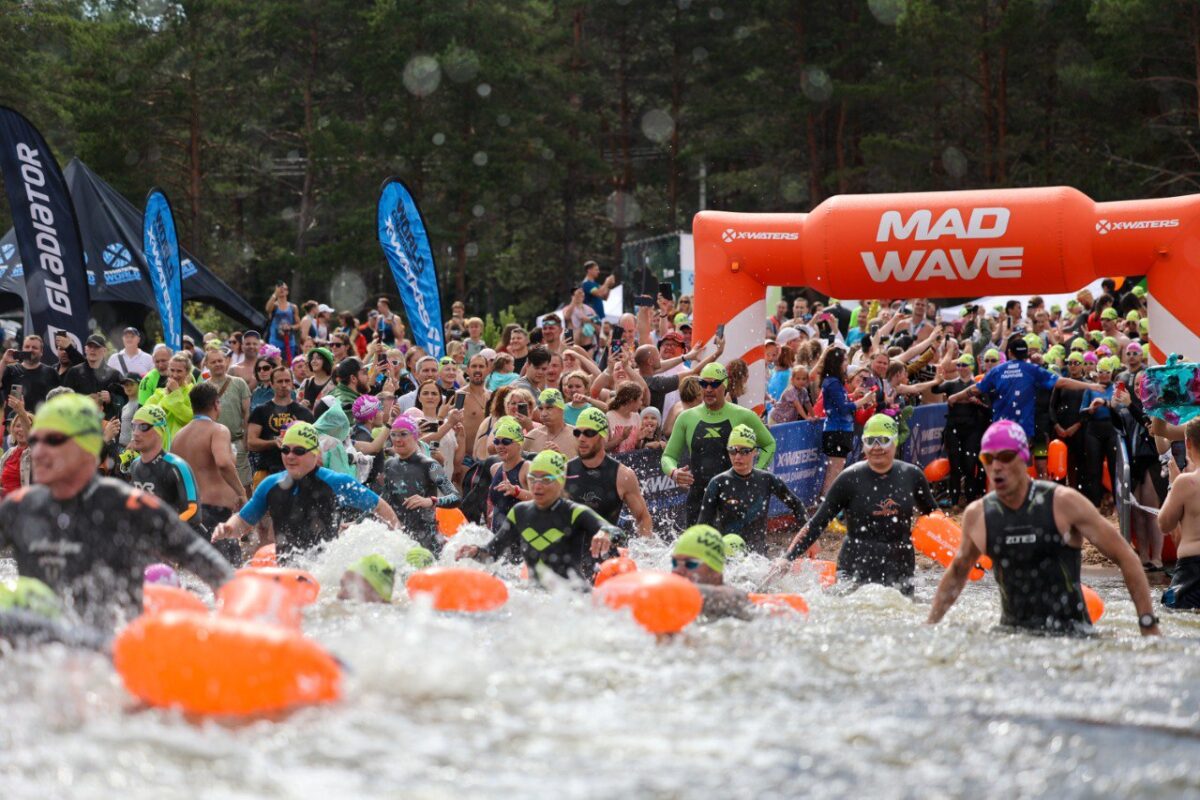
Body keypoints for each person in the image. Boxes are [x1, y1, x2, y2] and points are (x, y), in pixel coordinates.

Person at [0, 394, 232, 630]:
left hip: (110, 653)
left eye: (53, 440)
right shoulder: (20, 508)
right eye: (35, 440)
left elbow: (219, 574)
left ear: (86, 448)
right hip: (45, 656)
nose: (38, 451)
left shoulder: (128, 507)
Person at [928, 420, 1160, 635]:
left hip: (1071, 636)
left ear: (1024, 457)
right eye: (989, 459)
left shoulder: (1063, 502)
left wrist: (1147, 623)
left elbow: (1126, 557)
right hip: (1012, 638)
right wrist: (930, 626)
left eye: (1006, 457)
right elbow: (958, 571)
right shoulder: (978, 515)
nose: (997, 466)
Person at [774, 415, 937, 595]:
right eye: (869, 441)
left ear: (895, 442)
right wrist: (787, 558)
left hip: (900, 570)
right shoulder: (849, 478)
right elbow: (818, 522)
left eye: (883, 440)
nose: (876, 447)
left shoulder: (912, 476)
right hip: (854, 569)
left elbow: (935, 519)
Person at [213, 422, 400, 559]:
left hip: (324, 568)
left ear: (315, 454)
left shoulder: (336, 482)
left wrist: (399, 540)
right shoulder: (270, 485)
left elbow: (380, 506)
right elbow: (244, 520)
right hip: (288, 567)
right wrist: (228, 527)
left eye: (299, 451)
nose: (290, 456)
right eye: (285, 450)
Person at [457, 450, 621, 583]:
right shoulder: (520, 513)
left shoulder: (574, 512)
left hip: (572, 597)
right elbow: (492, 554)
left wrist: (604, 532)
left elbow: (617, 532)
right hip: (537, 598)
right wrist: (474, 551)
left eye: (546, 479)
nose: (537, 486)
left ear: (560, 481)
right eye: (532, 478)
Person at [662, 362, 776, 525]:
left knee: (735, 548)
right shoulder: (686, 418)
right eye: (704, 384)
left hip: (736, 496)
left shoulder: (743, 415)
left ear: (725, 385)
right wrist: (674, 472)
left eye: (714, 384)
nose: (708, 389)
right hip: (698, 498)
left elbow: (769, 444)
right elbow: (668, 456)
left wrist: (756, 473)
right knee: (696, 550)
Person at [948, 336, 1100, 440]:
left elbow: (975, 389)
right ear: (1026, 353)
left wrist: (956, 396)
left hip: (1000, 428)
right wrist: (1090, 385)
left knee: (1001, 469)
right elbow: (1063, 382)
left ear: (1009, 353)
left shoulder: (998, 370)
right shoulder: (1032, 370)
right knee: (1019, 470)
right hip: (1022, 430)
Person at [697, 424, 807, 556]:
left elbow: (797, 504)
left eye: (744, 451)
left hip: (757, 558)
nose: (738, 457)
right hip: (727, 556)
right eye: (733, 450)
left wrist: (809, 537)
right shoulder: (718, 483)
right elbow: (703, 526)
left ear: (755, 451)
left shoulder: (767, 479)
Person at [172, 383, 249, 563]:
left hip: (188, 513)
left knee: (198, 576)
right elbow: (222, 463)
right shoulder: (218, 430)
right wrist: (241, 493)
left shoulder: (179, 436)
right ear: (216, 404)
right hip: (214, 514)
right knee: (228, 575)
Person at [376, 416, 461, 555]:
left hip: (427, 541)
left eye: (403, 434)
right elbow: (382, 501)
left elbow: (456, 497)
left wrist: (430, 501)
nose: (397, 439)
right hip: (400, 539)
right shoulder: (389, 465)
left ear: (415, 436)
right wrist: (356, 523)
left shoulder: (429, 465)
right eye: (393, 434)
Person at [564, 407, 652, 537]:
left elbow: (643, 517)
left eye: (588, 433)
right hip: (571, 554)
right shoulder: (564, 471)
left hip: (606, 554)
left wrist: (645, 549)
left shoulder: (622, 475)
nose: (581, 438)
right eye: (577, 433)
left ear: (603, 437)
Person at [127, 404, 199, 530]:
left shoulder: (177, 466)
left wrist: (165, 529)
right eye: (133, 426)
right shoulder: (134, 465)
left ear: (159, 431)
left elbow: (193, 510)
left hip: (173, 540)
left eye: (144, 427)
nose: (136, 433)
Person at [247, 366, 315, 487]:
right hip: (267, 472)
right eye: (279, 381)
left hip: (298, 473)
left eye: (287, 381)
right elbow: (251, 443)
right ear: (271, 384)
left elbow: (314, 444)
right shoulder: (260, 411)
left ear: (292, 383)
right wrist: (273, 442)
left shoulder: (304, 413)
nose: (284, 385)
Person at [670, 525, 754, 620]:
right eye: (674, 563)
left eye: (690, 564)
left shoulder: (734, 602)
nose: (677, 571)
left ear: (715, 572)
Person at [203, 348, 252, 489]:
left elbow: (247, 413)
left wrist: (246, 440)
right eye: (213, 362)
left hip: (237, 441)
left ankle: (245, 511)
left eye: (220, 360)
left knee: (244, 484)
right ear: (206, 364)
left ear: (226, 361)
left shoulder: (239, 383)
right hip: (213, 445)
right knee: (218, 484)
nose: (218, 364)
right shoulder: (203, 388)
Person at [64, 334, 124, 419]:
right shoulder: (74, 372)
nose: (92, 350)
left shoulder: (114, 374)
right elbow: (65, 398)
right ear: (85, 349)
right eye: (90, 347)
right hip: (80, 423)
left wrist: (111, 398)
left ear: (104, 351)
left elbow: (125, 400)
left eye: (97, 347)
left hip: (106, 426)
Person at [2, 335, 60, 414]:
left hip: (39, 423)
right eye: (27, 347)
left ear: (41, 351)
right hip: (14, 423)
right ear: (22, 349)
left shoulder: (51, 372)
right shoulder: (11, 370)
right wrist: (4, 361)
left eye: (34, 347)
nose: (30, 350)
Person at [525, 388, 578, 457]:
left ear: (561, 409)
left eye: (549, 408)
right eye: (541, 409)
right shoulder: (531, 437)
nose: (544, 414)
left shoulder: (577, 436)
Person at [265, 282, 300, 360]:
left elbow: (298, 324)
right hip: (275, 342)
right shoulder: (274, 306)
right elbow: (267, 309)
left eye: (284, 288)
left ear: (287, 291)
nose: (282, 290)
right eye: (279, 288)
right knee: (275, 365)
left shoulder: (293, 307)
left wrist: (290, 327)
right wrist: (275, 294)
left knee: (289, 366)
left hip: (289, 342)